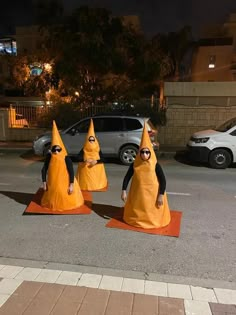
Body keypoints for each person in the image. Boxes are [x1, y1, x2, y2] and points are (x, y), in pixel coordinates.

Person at [121, 123, 171, 229]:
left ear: (150, 153)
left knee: (152, 210)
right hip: (138, 196)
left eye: (147, 152)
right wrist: (124, 190)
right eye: (142, 152)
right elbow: (127, 177)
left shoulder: (155, 164)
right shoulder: (135, 164)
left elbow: (163, 180)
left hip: (152, 195)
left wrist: (161, 195)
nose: (144, 154)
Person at [41, 121, 84, 211]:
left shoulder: (66, 158)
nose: (56, 152)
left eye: (58, 149)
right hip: (53, 183)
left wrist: (71, 185)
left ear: (61, 149)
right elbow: (44, 169)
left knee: (63, 196)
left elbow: (71, 171)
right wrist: (44, 183)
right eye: (54, 149)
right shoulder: (49, 157)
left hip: (65, 182)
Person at [76, 119, 108, 191]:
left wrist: (96, 161)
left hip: (96, 178)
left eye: (92, 140)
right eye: (89, 140)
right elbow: (77, 158)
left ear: (95, 140)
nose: (91, 141)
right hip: (85, 178)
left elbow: (104, 159)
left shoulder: (98, 149)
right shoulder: (83, 149)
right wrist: (85, 160)